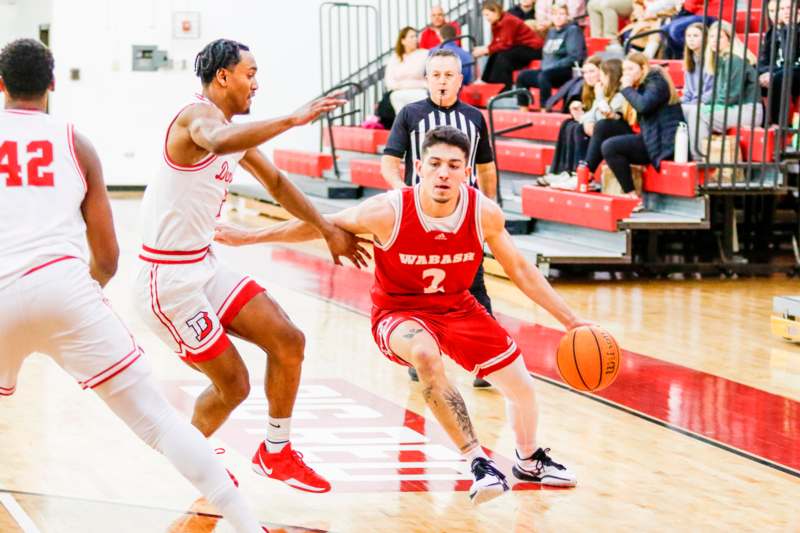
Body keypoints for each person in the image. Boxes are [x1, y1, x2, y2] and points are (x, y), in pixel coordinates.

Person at [215, 126, 591, 504]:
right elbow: (320, 225)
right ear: (419, 168)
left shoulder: (483, 213)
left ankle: (528, 459)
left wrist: (571, 321)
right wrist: (244, 236)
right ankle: (478, 461)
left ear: (466, 171)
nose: (444, 173)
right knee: (426, 356)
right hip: (399, 312)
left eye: (454, 165)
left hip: (458, 307)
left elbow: (521, 271)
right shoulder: (387, 211)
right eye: (436, 164)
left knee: (521, 388)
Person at [0, 39, 264, 533]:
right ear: (53, 84)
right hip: (65, 287)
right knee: (159, 421)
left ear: (0, 84)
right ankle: (249, 524)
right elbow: (107, 256)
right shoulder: (77, 143)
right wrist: (84, 296)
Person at [133, 38, 368, 495]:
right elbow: (217, 140)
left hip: (203, 264)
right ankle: (193, 457)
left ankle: (276, 452)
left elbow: (277, 182)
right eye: (250, 73)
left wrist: (325, 228)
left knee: (289, 340)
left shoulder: (230, 129)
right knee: (234, 386)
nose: (256, 84)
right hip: (168, 282)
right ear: (223, 76)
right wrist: (292, 119)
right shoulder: (197, 117)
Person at [381, 48, 498, 388]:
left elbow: (486, 168)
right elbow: (389, 161)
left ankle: (487, 360)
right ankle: (421, 353)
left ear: (460, 80)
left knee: (475, 286)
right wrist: (404, 194)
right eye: (436, 75)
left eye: (449, 75)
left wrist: (487, 207)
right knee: (420, 288)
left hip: (465, 217)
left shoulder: (475, 118)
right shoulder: (410, 114)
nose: (443, 81)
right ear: (427, 79)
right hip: (420, 214)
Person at [600, 52, 684, 205]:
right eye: (624, 70)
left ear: (643, 68)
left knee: (610, 147)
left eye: (631, 69)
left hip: (662, 142)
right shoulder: (640, 85)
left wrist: (626, 88)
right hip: (649, 137)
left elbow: (643, 105)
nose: (626, 74)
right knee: (603, 127)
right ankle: (584, 171)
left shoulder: (656, 81)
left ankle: (631, 196)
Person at [691, 22, 762, 157]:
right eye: (711, 37)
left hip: (747, 110)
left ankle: (700, 157)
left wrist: (708, 107)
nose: (714, 41)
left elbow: (730, 95)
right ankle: (691, 152)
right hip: (733, 108)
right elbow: (717, 92)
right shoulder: (722, 60)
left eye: (719, 37)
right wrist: (705, 104)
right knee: (687, 109)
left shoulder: (734, 60)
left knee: (698, 113)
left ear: (729, 39)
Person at [515, 3, 587, 109]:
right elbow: (546, 54)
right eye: (555, 14)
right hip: (547, 70)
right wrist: (546, 67)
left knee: (544, 76)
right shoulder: (551, 32)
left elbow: (575, 56)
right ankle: (523, 108)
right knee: (522, 76)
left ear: (567, 16)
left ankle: (545, 108)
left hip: (565, 71)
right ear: (551, 17)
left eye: (562, 14)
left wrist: (553, 66)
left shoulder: (573, 30)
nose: (558, 17)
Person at [473, 0, 544, 93]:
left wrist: (485, 50)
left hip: (533, 48)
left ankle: (505, 86)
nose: (486, 18)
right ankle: (486, 80)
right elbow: (496, 42)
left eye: (487, 15)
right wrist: (487, 50)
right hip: (520, 47)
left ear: (495, 11)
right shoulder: (496, 23)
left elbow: (506, 44)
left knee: (504, 56)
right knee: (496, 53)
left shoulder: (508, 20)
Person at [758, 0, 800, 125]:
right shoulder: (773, 32)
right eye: (781, 9)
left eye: (788, 8)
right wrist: (764, 73)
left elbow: (789, 58)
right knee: (750, 74)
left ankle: (779, 125)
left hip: (795, 72)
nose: (785, 12)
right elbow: (763, 60)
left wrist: (792, 28)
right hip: (780, 71)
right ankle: (762, 119)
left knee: (780, 77)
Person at [680, 22, 714, 159]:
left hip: (707, 103)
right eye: (688, 36)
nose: (691, 39)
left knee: (691, 111)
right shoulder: (690, 60)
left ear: (705, 38)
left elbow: (712, 91)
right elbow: (687, 91)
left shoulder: (711, 59)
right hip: (693, 102)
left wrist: (693, 103)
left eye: (695, 35)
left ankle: (697, 155)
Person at [385, 27, 430, 113]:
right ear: (403, 41)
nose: (415, 39)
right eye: (411, 37)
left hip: (420, 91)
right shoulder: (395, 58)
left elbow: (430, 76)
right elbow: (389, 80)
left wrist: (405, 84)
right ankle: (403, 125)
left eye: (415, 36)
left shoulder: (424, 54)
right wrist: (402, 86)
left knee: (423, 98)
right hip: (400, 91)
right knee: (395, 96)